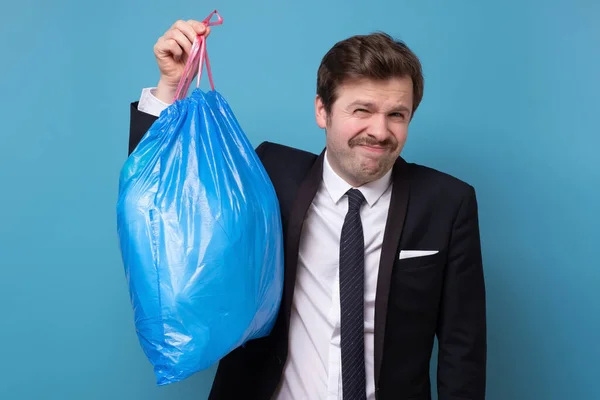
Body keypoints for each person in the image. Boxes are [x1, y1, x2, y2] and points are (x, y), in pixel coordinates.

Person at [127, 19, 487, 400]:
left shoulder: (447, 203)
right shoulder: (269, 175)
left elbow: (461, 349)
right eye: (362, 110)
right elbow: (160, 201)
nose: (380, 131)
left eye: (396, 114)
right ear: (322, 111)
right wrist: (170, 86)